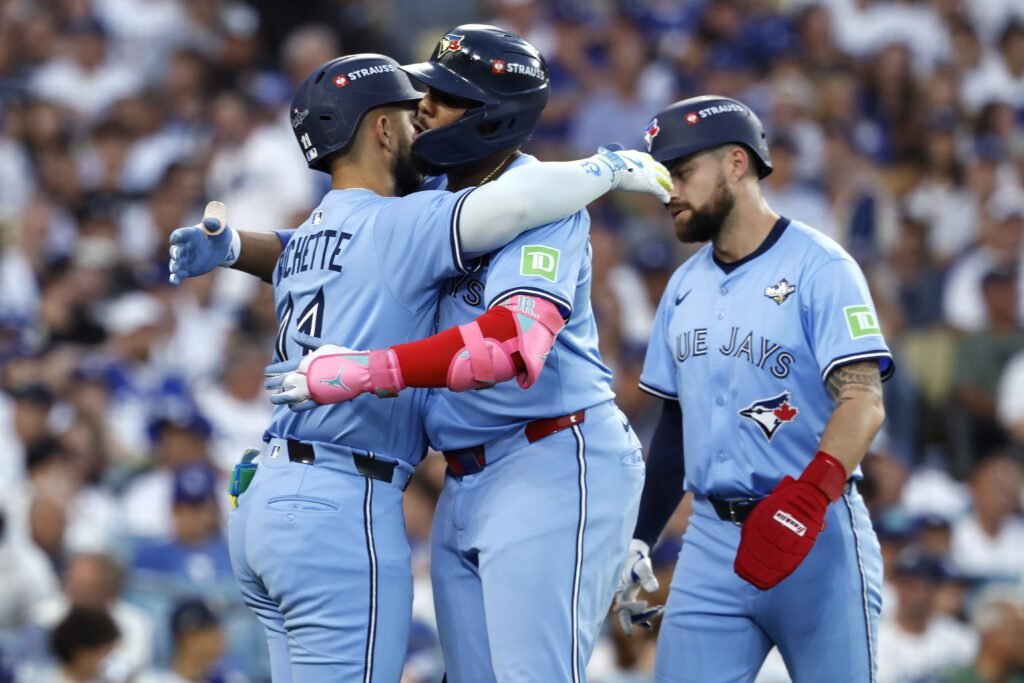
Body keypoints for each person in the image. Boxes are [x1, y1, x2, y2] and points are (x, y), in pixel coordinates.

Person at [169, 48, 668, 682]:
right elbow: (349, 251)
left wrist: (371, 368)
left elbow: (513, 344)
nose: (425, 110)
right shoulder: (422, 198)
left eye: (444, 95)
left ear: (491, 116)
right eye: (416, 100)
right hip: (449, 476)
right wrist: (242, 247)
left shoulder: (546, 204)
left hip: (550, 451)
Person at [614, 95, 893, 682]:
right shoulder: (682, 287)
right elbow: (677, 430)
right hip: (712, 542)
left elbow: (864, 399)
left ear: (737, 164)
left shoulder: (822, 266)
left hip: (817, 534)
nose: (670, 192)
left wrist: (809, 499)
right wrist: (639, 537)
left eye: (682, 172)